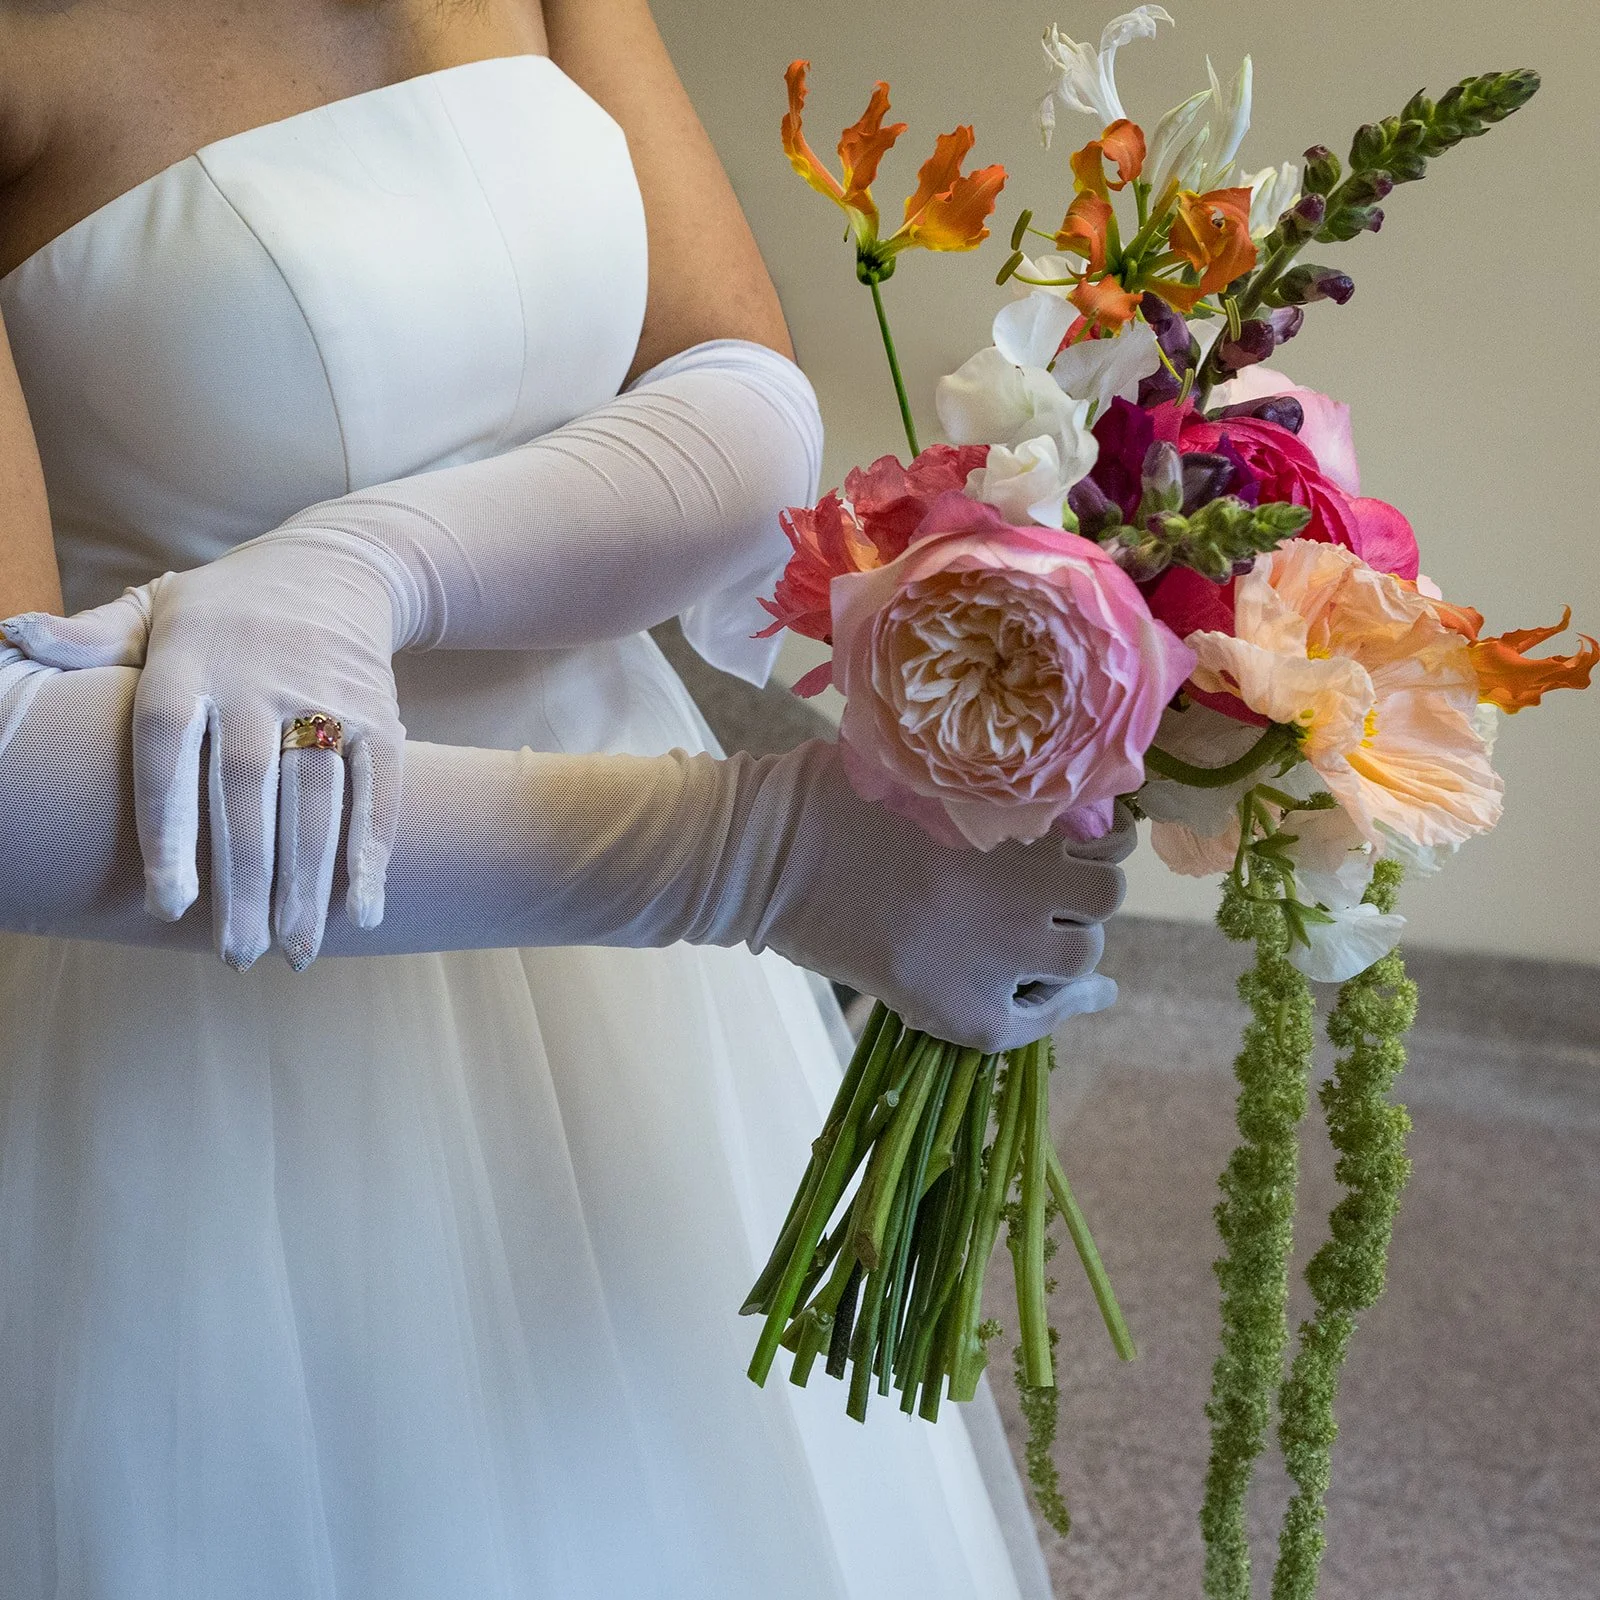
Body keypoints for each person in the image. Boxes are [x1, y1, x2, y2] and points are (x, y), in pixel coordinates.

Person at [0, 3, 1127, 1594]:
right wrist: (745, 858)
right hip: (222, 976)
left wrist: (366, 564)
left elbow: (737, 392)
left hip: (634, 955)